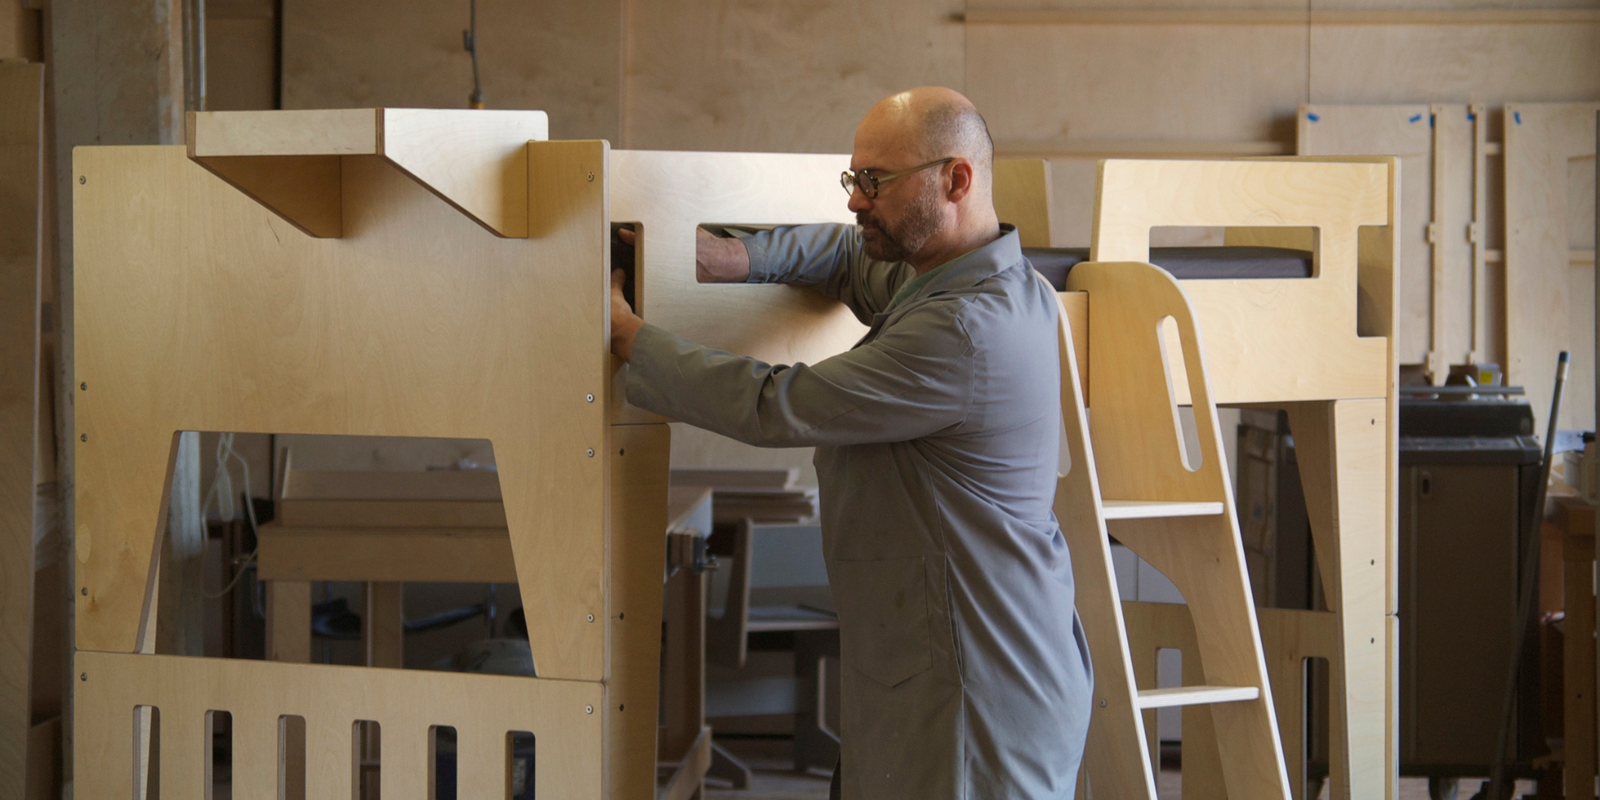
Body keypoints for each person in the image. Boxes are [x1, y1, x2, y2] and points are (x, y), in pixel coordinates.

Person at [609, 86, 1091, 800]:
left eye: (875, 182)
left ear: (954, 179)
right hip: (945, 671)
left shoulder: (964, 330)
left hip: (975, 695)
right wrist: (728, 259)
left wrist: (626, 336)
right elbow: (842, 254)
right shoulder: (944, 278)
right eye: (852, 180)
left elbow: (779, 405)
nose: (856, 201)